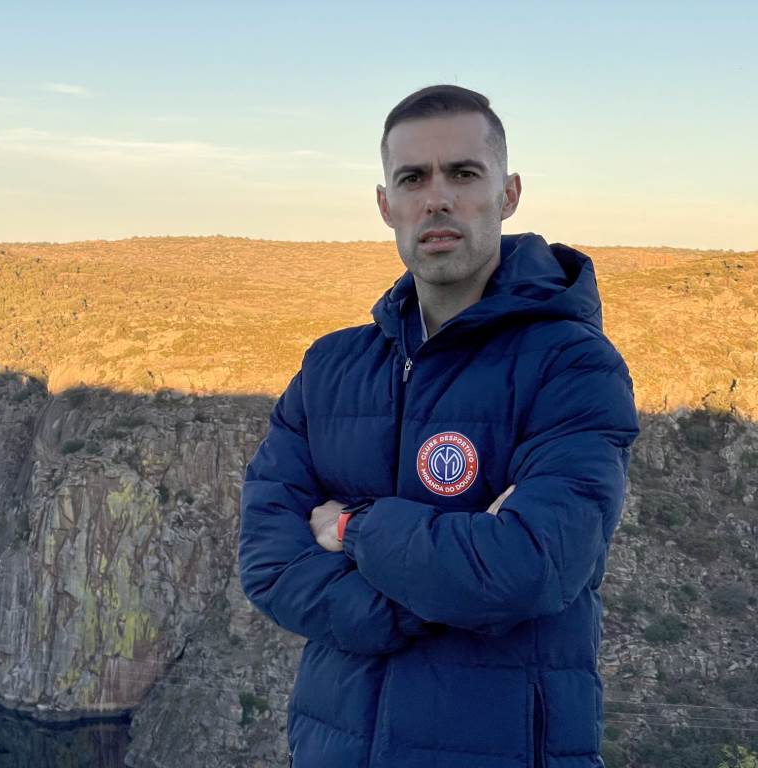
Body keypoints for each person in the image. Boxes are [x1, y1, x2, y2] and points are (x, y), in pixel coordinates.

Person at [238, 84, 640, 768]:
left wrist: (353, 530)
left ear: (508, 193)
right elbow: (269, 563)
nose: (437, 199)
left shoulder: (573, 365)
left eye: (463, 173)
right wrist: (440, 587)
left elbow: (531, 567)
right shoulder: (330, 369)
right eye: (413, 179)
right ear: (385, 204)